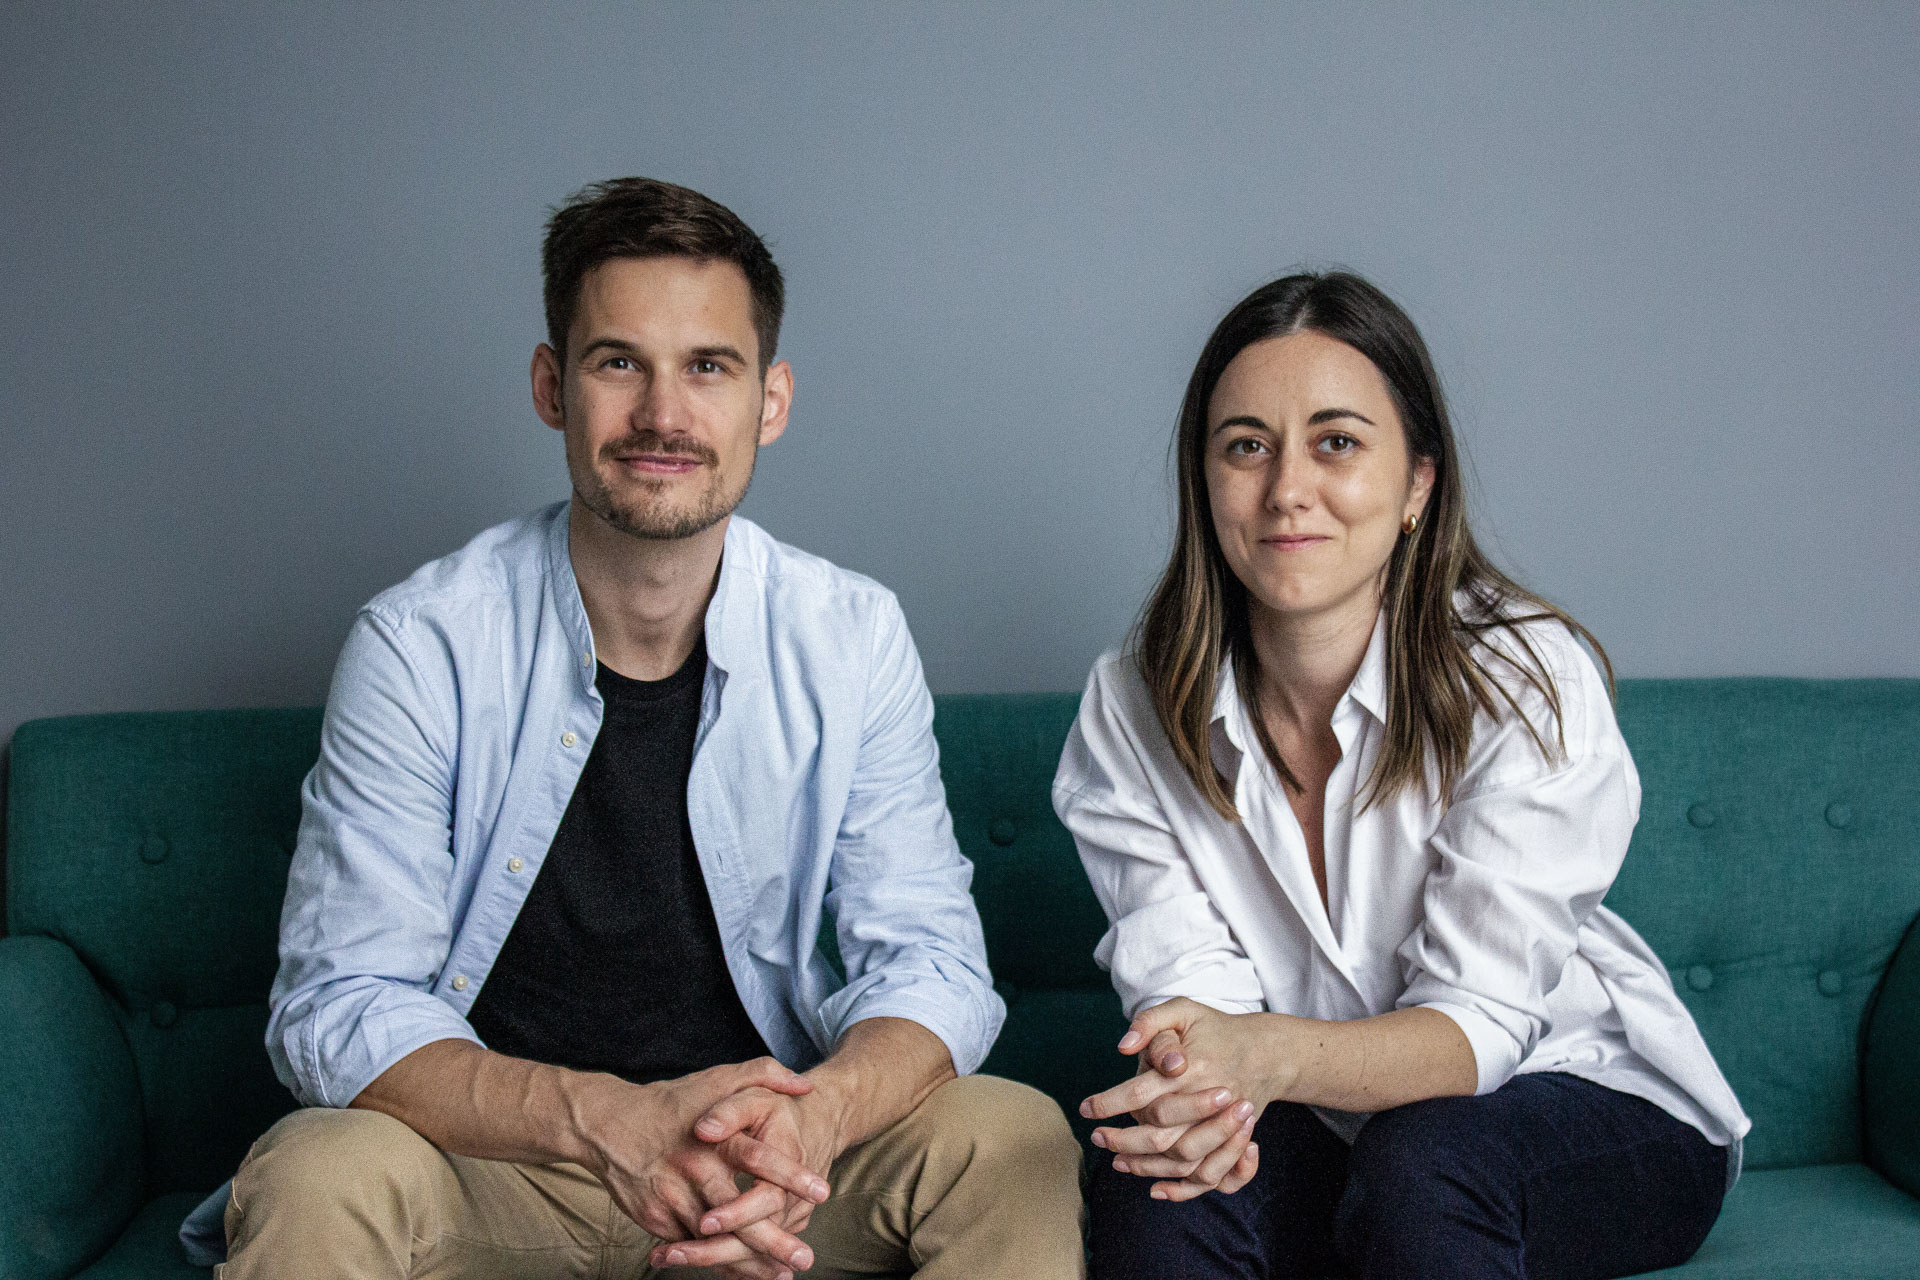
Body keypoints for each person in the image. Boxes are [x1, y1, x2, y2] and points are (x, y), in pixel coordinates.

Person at [199, 177, 1084, 1280]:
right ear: (550, 386)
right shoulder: (421, 642)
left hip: (775, 1168)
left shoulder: (850, 636)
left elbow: (934, 963)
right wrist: (604, 1118)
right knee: (313, 1170)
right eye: (620, 361)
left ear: (771, 399)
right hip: (502, 1165)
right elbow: (336, 1003)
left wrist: (810, 1122)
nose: (664, 415)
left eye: (708, 366)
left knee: (1007, 1136)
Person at [1053, 272, 1749, 1279]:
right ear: (1205, 483)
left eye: (1336, 441)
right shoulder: (1130, 706)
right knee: (1157, 1172)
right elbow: (1196, 1009)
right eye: (1246, 445)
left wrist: (1260, 1056)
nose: (1288, 486)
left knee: (1426, 1159)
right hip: (1326, 1126)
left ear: (1417, 482)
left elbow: (1479, 1030)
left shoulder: (1523, 676)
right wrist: (1200, 1087)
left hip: (1593, 1100)